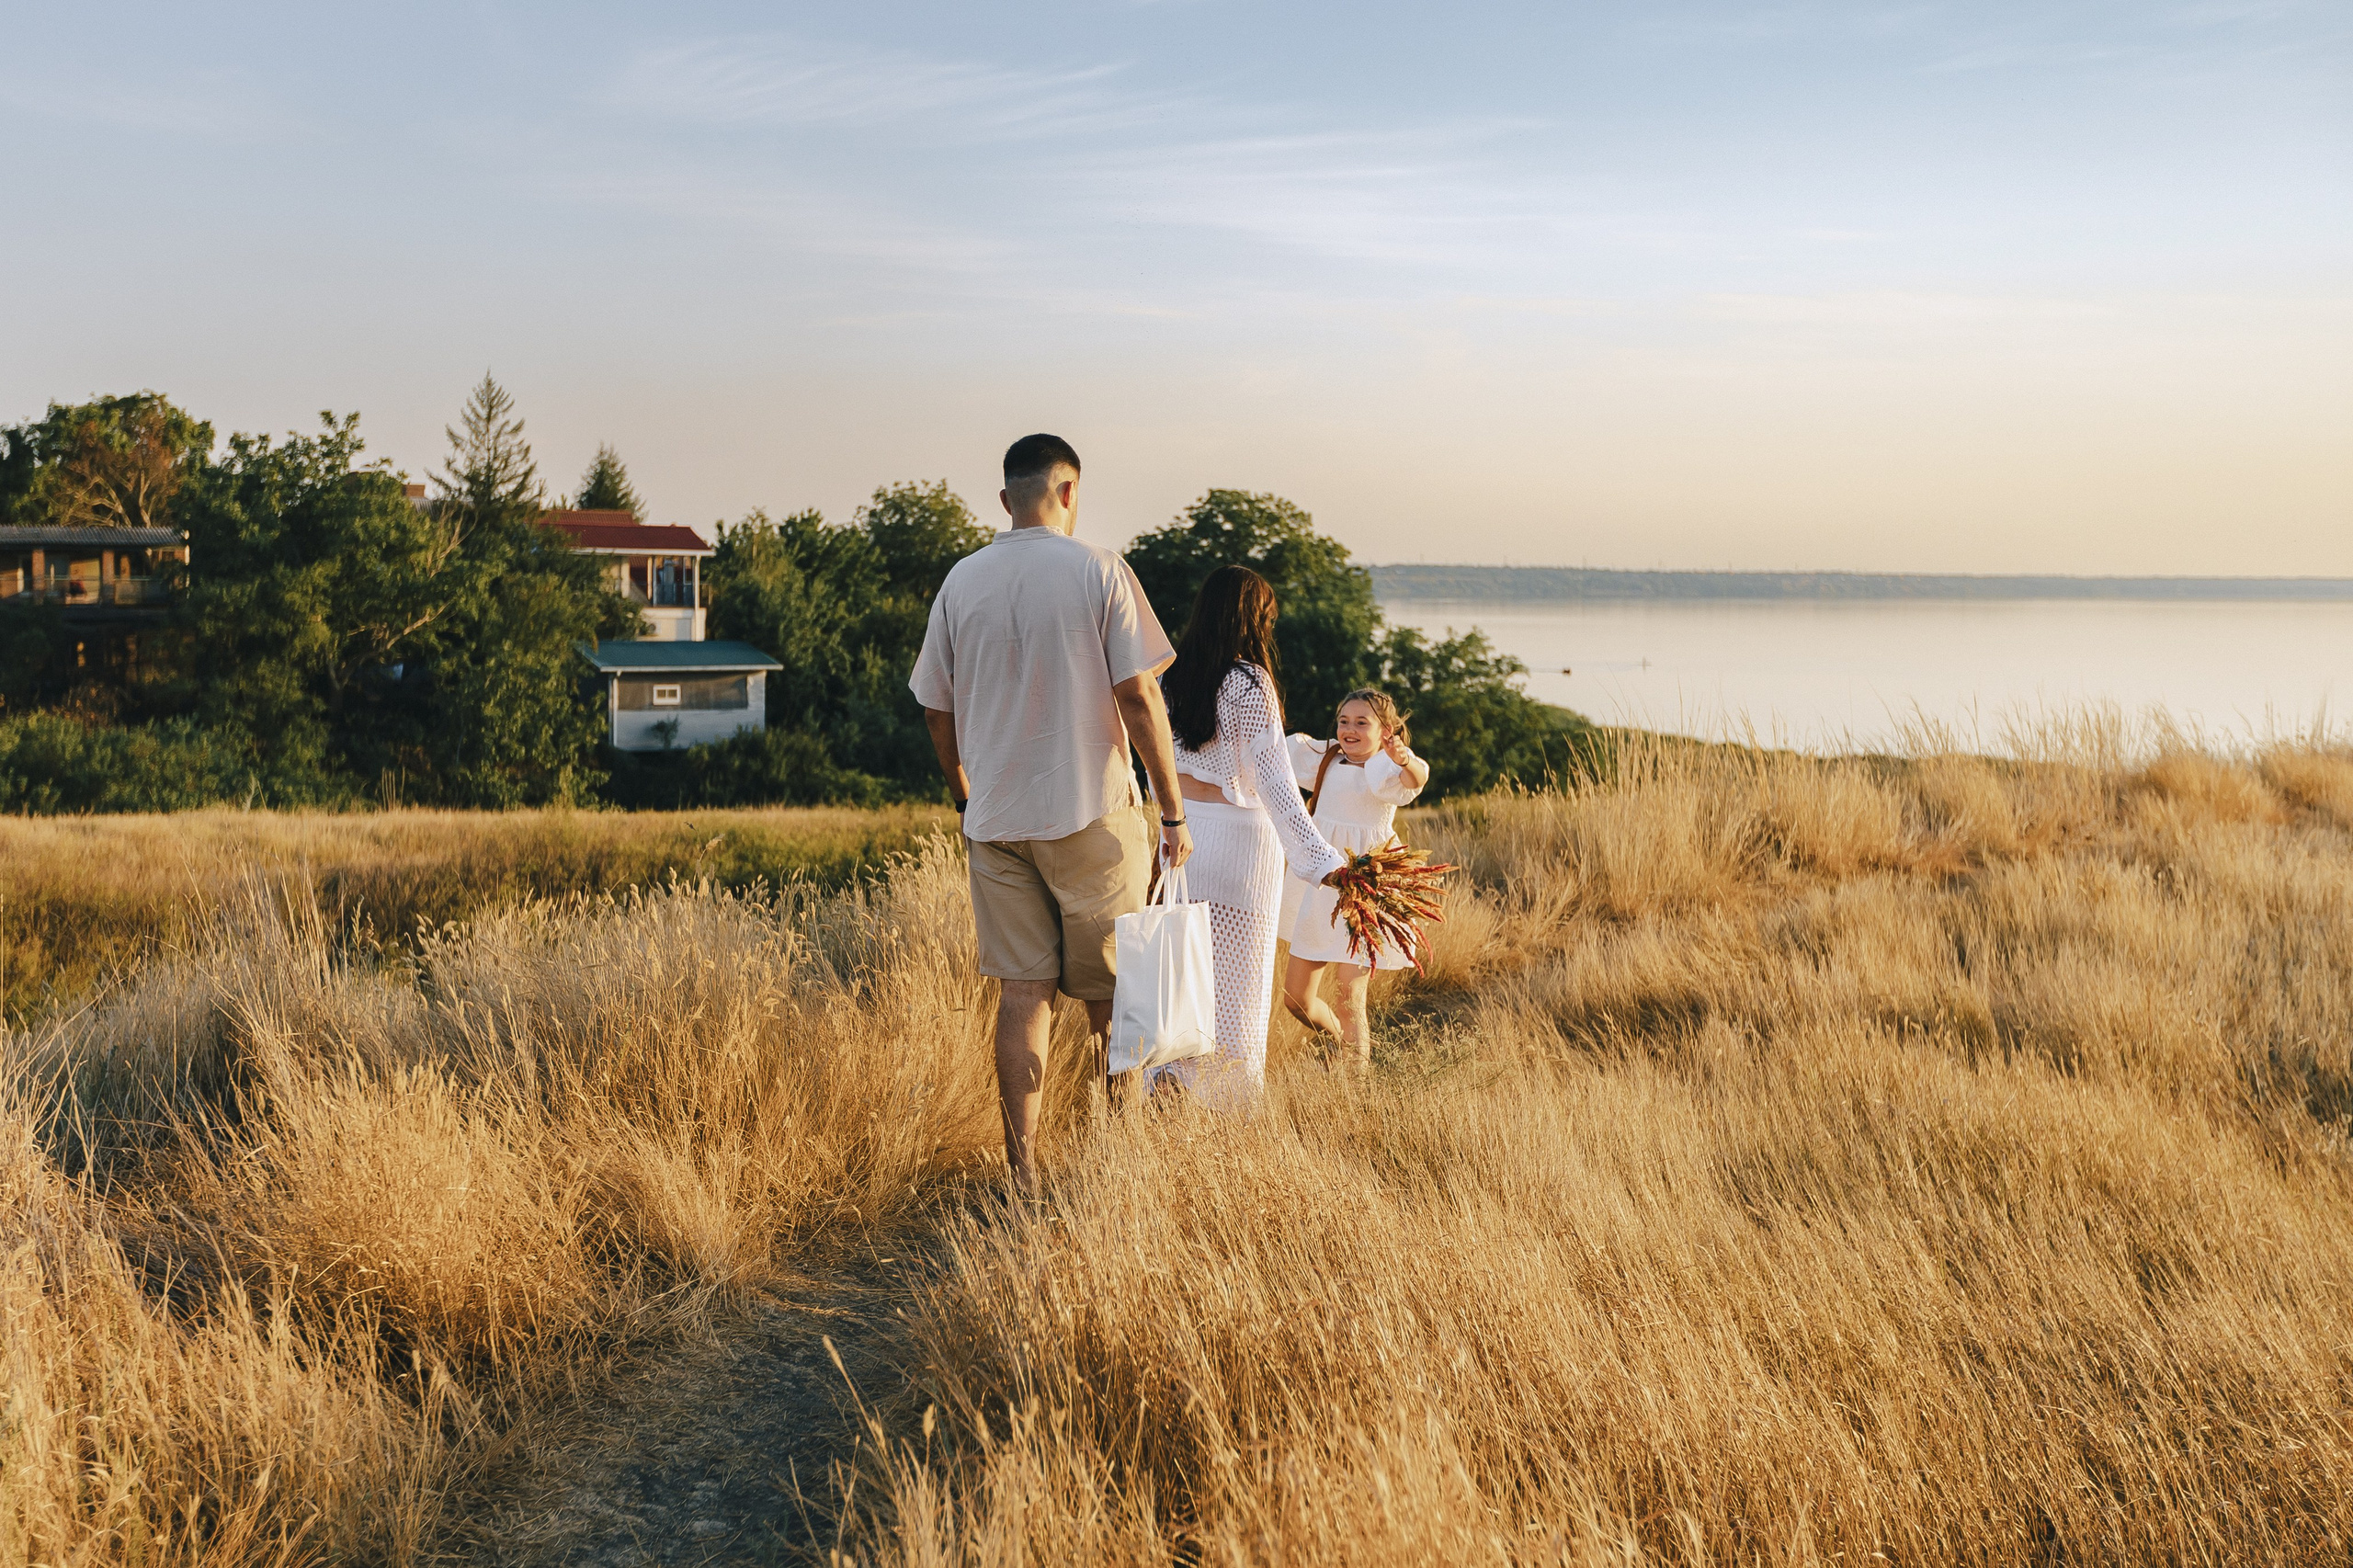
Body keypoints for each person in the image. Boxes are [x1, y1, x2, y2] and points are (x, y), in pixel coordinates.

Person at [910, 434, 1193, 1197]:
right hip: (1091, 813)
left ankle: (1024, 1171)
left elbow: (935, 703)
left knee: (1023, 994)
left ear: (1006, 500)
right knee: (1111, 999)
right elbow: (1139, 696)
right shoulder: (1100, 570)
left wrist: (962, 786)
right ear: (1069, 492)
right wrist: (1172, 814)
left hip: (997, 820)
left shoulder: (961, 580)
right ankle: (1118, 1153)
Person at [1155, 565, 1348, 1109]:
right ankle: (1228, 1118)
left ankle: (1169, 1105)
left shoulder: (1169, 677)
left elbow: (1153, 765)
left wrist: (1167, 825)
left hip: (1186, 840)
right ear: (1250, 619)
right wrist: (1324, 862)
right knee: (1237, 994)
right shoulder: (1249, 683)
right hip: (1242, 848)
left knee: (1183, 984)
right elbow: (1277, 786)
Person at [1278, 688, 1431, 1067]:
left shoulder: (1386, 768)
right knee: (1296, 998)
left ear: (1386, 731)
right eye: (1344, 721)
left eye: (1362, 723)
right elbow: (1276, 751)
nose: (1350, 729)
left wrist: (1403, 758)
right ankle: (1340, 1046)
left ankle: (1356, 1089)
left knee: (1350, 995)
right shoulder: (1327, 757)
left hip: (1366, 886)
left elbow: (1417, 778)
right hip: (1323, 881)